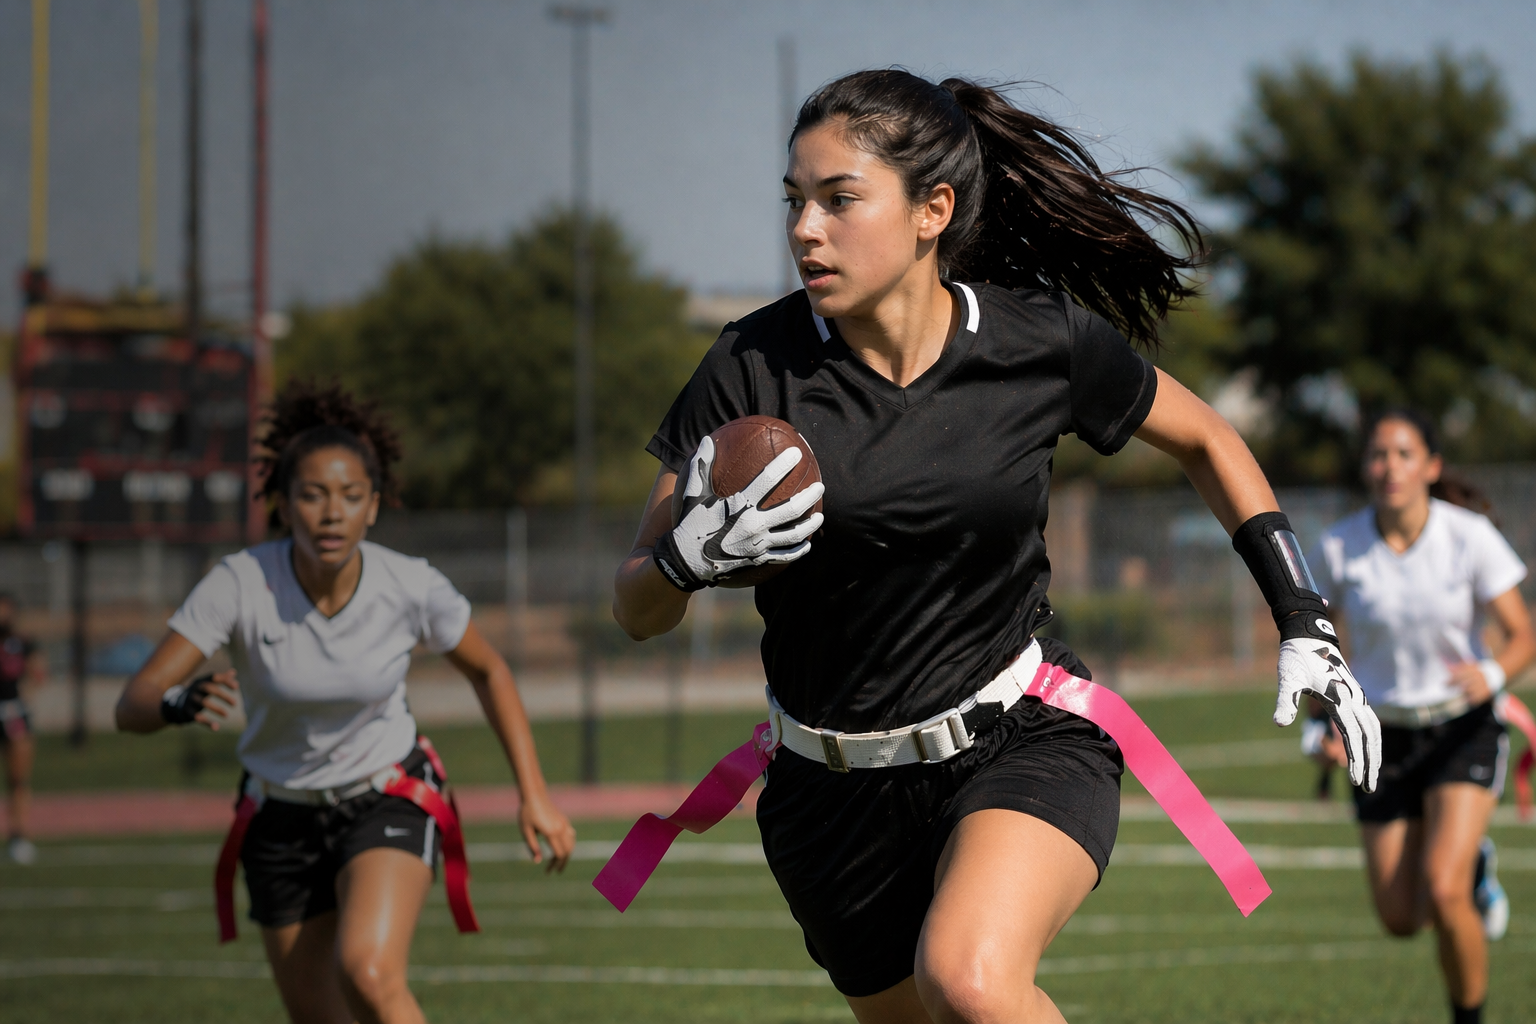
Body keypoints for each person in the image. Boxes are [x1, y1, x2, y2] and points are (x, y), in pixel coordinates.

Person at [613, 69, 1380, 1024]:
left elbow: (1210, 439)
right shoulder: (749, 364)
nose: (806, 228)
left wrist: (1303, 618)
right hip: (828, 794)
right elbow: (636, 604)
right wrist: (684, 561)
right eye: (794, 201)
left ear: (933, 209)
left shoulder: (1033, 339)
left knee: (970, 980)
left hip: (1019, 734)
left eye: (840, 199)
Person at [116, 382, 575, 1024]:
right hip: (277, 818)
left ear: (373, 508)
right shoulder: (239, 583)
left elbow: (490, 670)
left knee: (368, 972)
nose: (331, 512)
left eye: (350, 496)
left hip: (384, 795)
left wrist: (535, 794)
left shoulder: (409, 585)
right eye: (311, 494)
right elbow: (130, 703)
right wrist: (172, 703)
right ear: (281, 503)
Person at [1309, 409, 1534, 1024]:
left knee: (1444, 887)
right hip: (1379, 736)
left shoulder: (1469, 536)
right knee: (1400, 917)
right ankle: (1477, 864)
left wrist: (1489, 675)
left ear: (1432, 466)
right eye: (1379, 455)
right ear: (1365, 468)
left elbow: (1523, 633)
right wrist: (1317, 726)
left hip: (1463, 727)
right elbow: (1316, 647)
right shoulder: (1338, 546)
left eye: (1405, 454)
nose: (1390, 467)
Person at [0, 592, 45, 865]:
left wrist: (23, 701)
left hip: (14, 714)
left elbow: (38, 674)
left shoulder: (23, 643)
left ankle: (19, 836)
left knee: (18, 779)